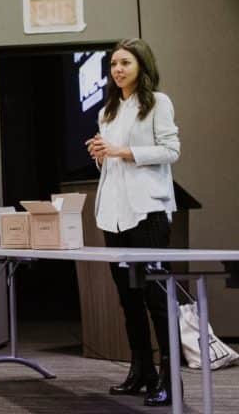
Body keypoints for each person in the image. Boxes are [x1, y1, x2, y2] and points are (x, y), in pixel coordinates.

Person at [86, 38, 181, 407]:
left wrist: (123, 151)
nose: (118, 70)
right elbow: (110, 160)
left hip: (147, 213)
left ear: (142, 65)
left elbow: (172, 151)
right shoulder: (108, 110)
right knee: (128, 299)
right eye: (112, 65)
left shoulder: (158, 103)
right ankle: (141, 371)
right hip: (114, 215)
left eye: (125, 62)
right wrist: (100, 153)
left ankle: (170, 379)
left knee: (156, 298)